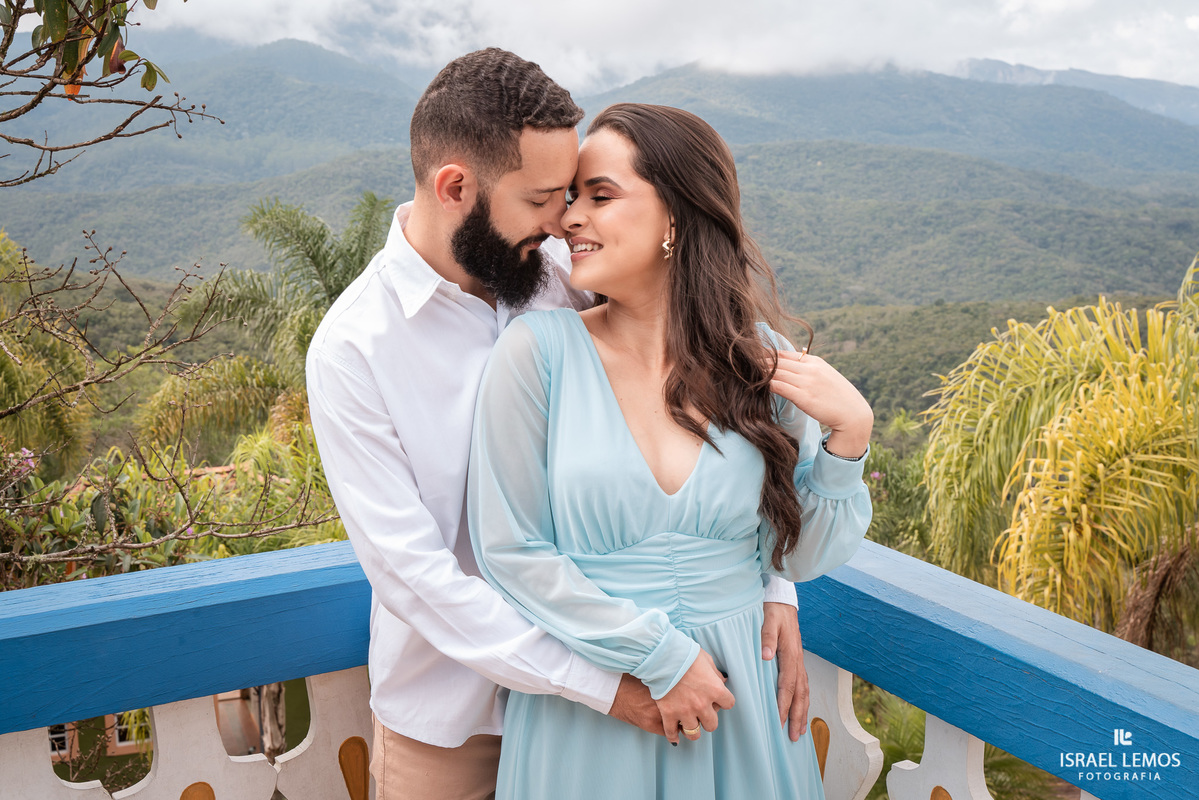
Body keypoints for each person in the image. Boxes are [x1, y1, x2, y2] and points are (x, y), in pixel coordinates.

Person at [306, 50, 811, 800]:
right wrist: (609, 685)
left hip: (643, 690)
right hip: (461, 725)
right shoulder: (354, 350)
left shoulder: (562, 277)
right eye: (545, 197)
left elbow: (710, 421)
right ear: (455, 188)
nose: (561, 221)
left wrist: (772, 585)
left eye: (574, 193)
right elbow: (418, 577)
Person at [467, 102, 874, 799]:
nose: (568, 220)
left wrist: (850, 438)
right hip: (598, 707)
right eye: (569, 200)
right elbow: (511, 552)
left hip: (742, 698)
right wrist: (660, 656)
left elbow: (796, 556)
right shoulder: (536, 355)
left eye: (600, 196)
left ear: (677, 218)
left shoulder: (762, 360)